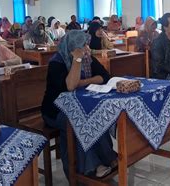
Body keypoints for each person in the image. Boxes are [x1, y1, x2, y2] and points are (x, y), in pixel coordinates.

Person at [41, 30, 117, 178]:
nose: (87, 49)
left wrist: (84, 82)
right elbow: (70, 85)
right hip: (55, 112)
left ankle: (107, 159)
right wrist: (77, 60)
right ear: (73, 46)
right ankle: (90, 168)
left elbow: (105, 77)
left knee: (96, 116)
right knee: (78, 121)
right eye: (83, 45)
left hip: (81, 105)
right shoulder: (57, 63)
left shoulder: (88, 59)